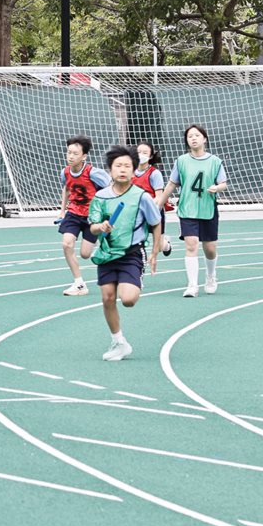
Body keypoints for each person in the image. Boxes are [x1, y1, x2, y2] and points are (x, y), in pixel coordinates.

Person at [81, 147, 162, 362]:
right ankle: (119, 342)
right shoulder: (100, 197)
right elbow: (92, 227)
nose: (123, 170)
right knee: (107, 298)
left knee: (128, 300)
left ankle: (136, 278)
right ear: (110, 169)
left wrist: (154, 252)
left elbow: (156, 223)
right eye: (118, 166)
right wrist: (101, 227)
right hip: (107, 253)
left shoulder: (141, 197)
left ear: (134, 170)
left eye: (127, 166)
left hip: (131, 253)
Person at [163, 124, 230, 298]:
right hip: (187, 209)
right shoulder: (181, 161)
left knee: (210, 248)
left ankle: (211, 276)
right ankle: (192, 285)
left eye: (197, 135)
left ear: (204, 139)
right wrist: (158, 204)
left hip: (208, 209)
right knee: (191, 244)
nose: (193, 138)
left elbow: (223, 183)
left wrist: (217, 188)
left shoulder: (215, 161)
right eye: (190, 136)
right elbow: (171, 184)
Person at [57, 137, 98, 297]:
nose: (71, 156)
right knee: (67, 244)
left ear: (84, 156)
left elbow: (110, 187)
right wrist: (62, 210)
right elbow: (67, 189)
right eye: (69, 152)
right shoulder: (65, 172)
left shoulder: (93, 173)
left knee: (85, 254)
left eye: (75, 153)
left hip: (91, 216)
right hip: (73, 213)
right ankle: (79, 283)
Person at [133, 141, 172, 257]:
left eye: (145, 153)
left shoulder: (155, 174)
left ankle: (166, 244)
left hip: (154, 211)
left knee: (159, 247)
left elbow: (159, 197)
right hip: (136, 212)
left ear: (150, 156)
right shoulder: (130, 172)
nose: (141, 155)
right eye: (139, 152)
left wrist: (147, 205)